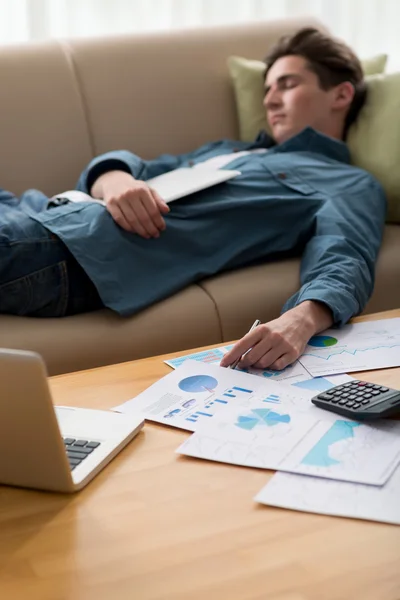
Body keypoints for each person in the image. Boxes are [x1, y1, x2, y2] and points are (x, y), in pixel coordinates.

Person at [0, 28, 386, 371]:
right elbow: (140, 167)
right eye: (267, 88)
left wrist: (302, 320)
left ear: (342, 94)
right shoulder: (231, 150)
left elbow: (345, 256)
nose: (269, 100)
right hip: (39, 208)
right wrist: (114, 179)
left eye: (286, 85)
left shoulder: (347, 181)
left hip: (69, 250)